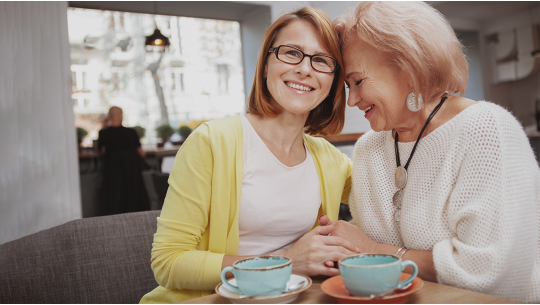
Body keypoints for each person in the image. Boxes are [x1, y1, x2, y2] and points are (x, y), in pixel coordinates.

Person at [320, 2, 540, 303]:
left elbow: (490, 273)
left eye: (357, 81)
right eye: (347, 86)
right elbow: (362, 249)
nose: (352, 100)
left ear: (409, 66)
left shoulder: (488, 130)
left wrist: (374, 251)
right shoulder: (369, 149)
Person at [140, 8, 358, 303]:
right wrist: (285, 263)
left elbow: (387, 199)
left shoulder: (329, 160)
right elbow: (168, 262)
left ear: (333, 81)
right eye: (291, 53)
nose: (305, 69)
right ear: (265, 65)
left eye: (321, 60)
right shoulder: (211, 142)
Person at [97, 106, 150, 215]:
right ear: (120, 116)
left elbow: (99, 152)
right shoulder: (131, 132)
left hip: (112, 174)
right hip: (132, 174)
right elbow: (142, 153)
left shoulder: (103, 133)